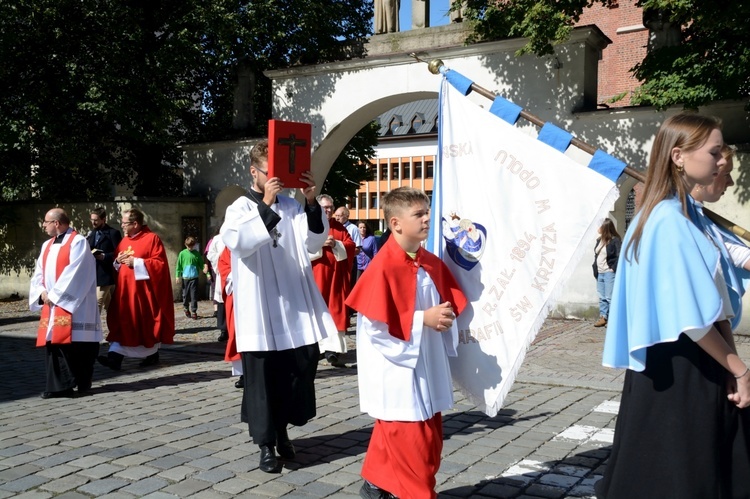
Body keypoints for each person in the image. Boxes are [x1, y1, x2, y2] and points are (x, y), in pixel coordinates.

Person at [596, 113, 750, 498]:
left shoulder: (687, 216)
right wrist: (740, 368)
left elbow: (714, 303)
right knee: (675, 475)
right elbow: (691, 318)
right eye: (714, 152)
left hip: (699, 362)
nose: (720, 162)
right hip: (678, 368)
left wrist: (729, 360)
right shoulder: (667, 220)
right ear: (678, 156)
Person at [220, 139, 337, 474]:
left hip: (293, 306)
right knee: (264, 380)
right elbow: (240, 242)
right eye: (269, 174)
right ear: (253, 172)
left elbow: (313, 242)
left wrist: (311, 201)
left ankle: (284, 430)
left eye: (278, 175)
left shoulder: (292, 206)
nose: (275, 181)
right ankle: (267, 445)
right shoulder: (239, 208)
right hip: (260, 308)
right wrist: (266, 205)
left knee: (297, 371)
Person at [346, 187, 468, 499]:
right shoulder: (383, 266)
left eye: (427, 212)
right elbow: (374, 327)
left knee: (426, 437)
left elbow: (447, 302)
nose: (428, 218)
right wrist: (422, 319)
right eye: (420, 214)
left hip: (426, 361)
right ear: (396, 223)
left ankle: (376, 483)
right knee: (415, 446)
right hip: (398, 371)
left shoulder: (428, 260)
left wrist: (443, 317)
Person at [30, 208, 103, 398]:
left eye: (46, 222)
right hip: (52, 304)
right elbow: (38, 273)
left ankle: (79, 382)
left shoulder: (77, 242)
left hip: (75, 305)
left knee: (76, 345)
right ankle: (60, 386)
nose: (43, 225)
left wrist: (55, 295)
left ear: (57, 223)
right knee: (55, 343)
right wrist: (42, 292)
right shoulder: (46, 245)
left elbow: (77, 273)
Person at [98, 208, 174, 371]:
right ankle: (115, 358)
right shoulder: (124, 241)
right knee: (122, 324)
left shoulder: (152, 239)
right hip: (124, 293)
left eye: (124, 223)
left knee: (142, 326)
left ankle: (150, 354)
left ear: (135, 223)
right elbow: (117, 265)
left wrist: (138, 263)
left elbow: (160, 265)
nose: (122, 226)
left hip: (143, 294)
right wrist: (117, 261)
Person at [311, 194, 356, 368]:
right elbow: (300, 249)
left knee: (335, 310)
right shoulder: (310, 224)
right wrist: (320, 245)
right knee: (316, 311)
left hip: (336, 278)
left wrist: (336, 244)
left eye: (330, 207)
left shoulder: (340, 228)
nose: (328, 210)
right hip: (316, 276)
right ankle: (315, 348)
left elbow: (351, 247)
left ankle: (332, 350)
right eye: (324, 207)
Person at [86, 207, 122, 312]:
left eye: (96, 220)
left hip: (106, 273)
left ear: (103, 219)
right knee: (110, 305)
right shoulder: (91, 233)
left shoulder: (113, 233)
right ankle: (117, 324)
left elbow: (118, 253)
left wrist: (105, 256)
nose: (93, 222)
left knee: (97, 303)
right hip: (94, 273)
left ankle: (92, 327)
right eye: (92, 219)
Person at [592, 218, 621, 327]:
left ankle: (613, 319)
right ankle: (603, 317)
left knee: (610, 297)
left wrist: (613, 268)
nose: (597, 228)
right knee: (602, 296)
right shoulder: (599, 240)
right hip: (600, 272)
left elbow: (619, 255)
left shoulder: (615, 240)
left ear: (605, 227)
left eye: (599, 226)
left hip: (609, 272)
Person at [206, 230, 228, 341]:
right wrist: (220, 260)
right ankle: (224, 330)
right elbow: (211, 254)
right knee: (222, 303)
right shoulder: (218, 239)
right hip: (223, 272)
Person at [175, 236, 203, 320]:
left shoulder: (196, 254)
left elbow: (201, 264)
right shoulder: (182, 254)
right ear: (185, 245)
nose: (190, 248)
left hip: (194, 277)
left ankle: (194, 311)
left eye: (191, 246)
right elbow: (179, 265)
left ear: (194, 245)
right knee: (185, 295)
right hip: (185, 278)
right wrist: (177, 276)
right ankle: (186, 308)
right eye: (188, 246)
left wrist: (207, 273)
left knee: (194, 295)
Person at [334, 205, 363, 286]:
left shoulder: (353, 229)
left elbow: (358, 249)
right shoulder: (334, 228)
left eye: (339, 216)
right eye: (335, 215)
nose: (336, 218)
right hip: (335, 262)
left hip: (349, 262)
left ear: (346, 216)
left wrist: (345, 253)